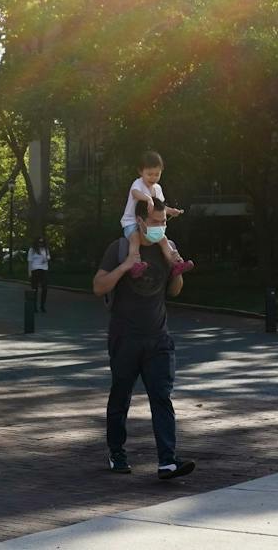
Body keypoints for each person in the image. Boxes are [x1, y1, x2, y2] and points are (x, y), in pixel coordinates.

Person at [93, 206, 195, 480]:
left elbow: (173, 291)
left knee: (161, 397)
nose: (160, 226)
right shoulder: (120, 247)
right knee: (120, 396)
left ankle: (168, 461)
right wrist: (125, 266)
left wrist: (176, 270)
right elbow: (98, 286)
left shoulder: (167, 248)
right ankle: (117, 452)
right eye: (154, 221)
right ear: (139, 221)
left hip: (159, 338)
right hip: (124, 338)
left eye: (163, 221)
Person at [122, 151, 195, 280]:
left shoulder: (157, 188)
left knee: (164, 240)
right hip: (131, 222)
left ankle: (175, 264)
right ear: (140, 172)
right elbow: (135, 193)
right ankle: (135, 265)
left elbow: (161, 207)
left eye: (157, 174)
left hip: (149, 222)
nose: (153, 178)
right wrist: (148, 199)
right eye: (149, 174)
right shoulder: (138, 184)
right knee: (135, 240)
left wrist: (171, 211)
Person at [27, 237, 51, 312]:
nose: (41, 244)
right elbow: (30, 261)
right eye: (39, 242)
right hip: (35, 269)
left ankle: (42, 305)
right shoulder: (32, 250)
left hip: (44, 269)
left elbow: (48, 257)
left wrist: (46, 259)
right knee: (35, 289)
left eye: (42, 242)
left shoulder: (46, 250)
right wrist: (29, 272)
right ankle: (34, 306)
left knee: (45, 288)